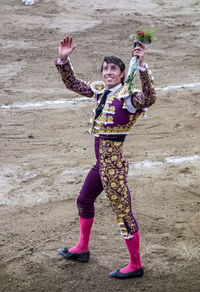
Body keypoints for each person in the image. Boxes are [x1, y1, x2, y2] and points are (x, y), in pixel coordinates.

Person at [55, 35, 156, 279]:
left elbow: (150, 98)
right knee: (84, 200)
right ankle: (82, 249)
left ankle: (135, 264)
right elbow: (73, 84)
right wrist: (63, 59)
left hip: (113, 166)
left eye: (113, 69)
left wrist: (142, 66)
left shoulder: (129, 98)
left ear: (122, 74)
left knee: (123, 212)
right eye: (105, 69)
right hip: (101, 164)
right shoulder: (101, 91)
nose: (108, 72)